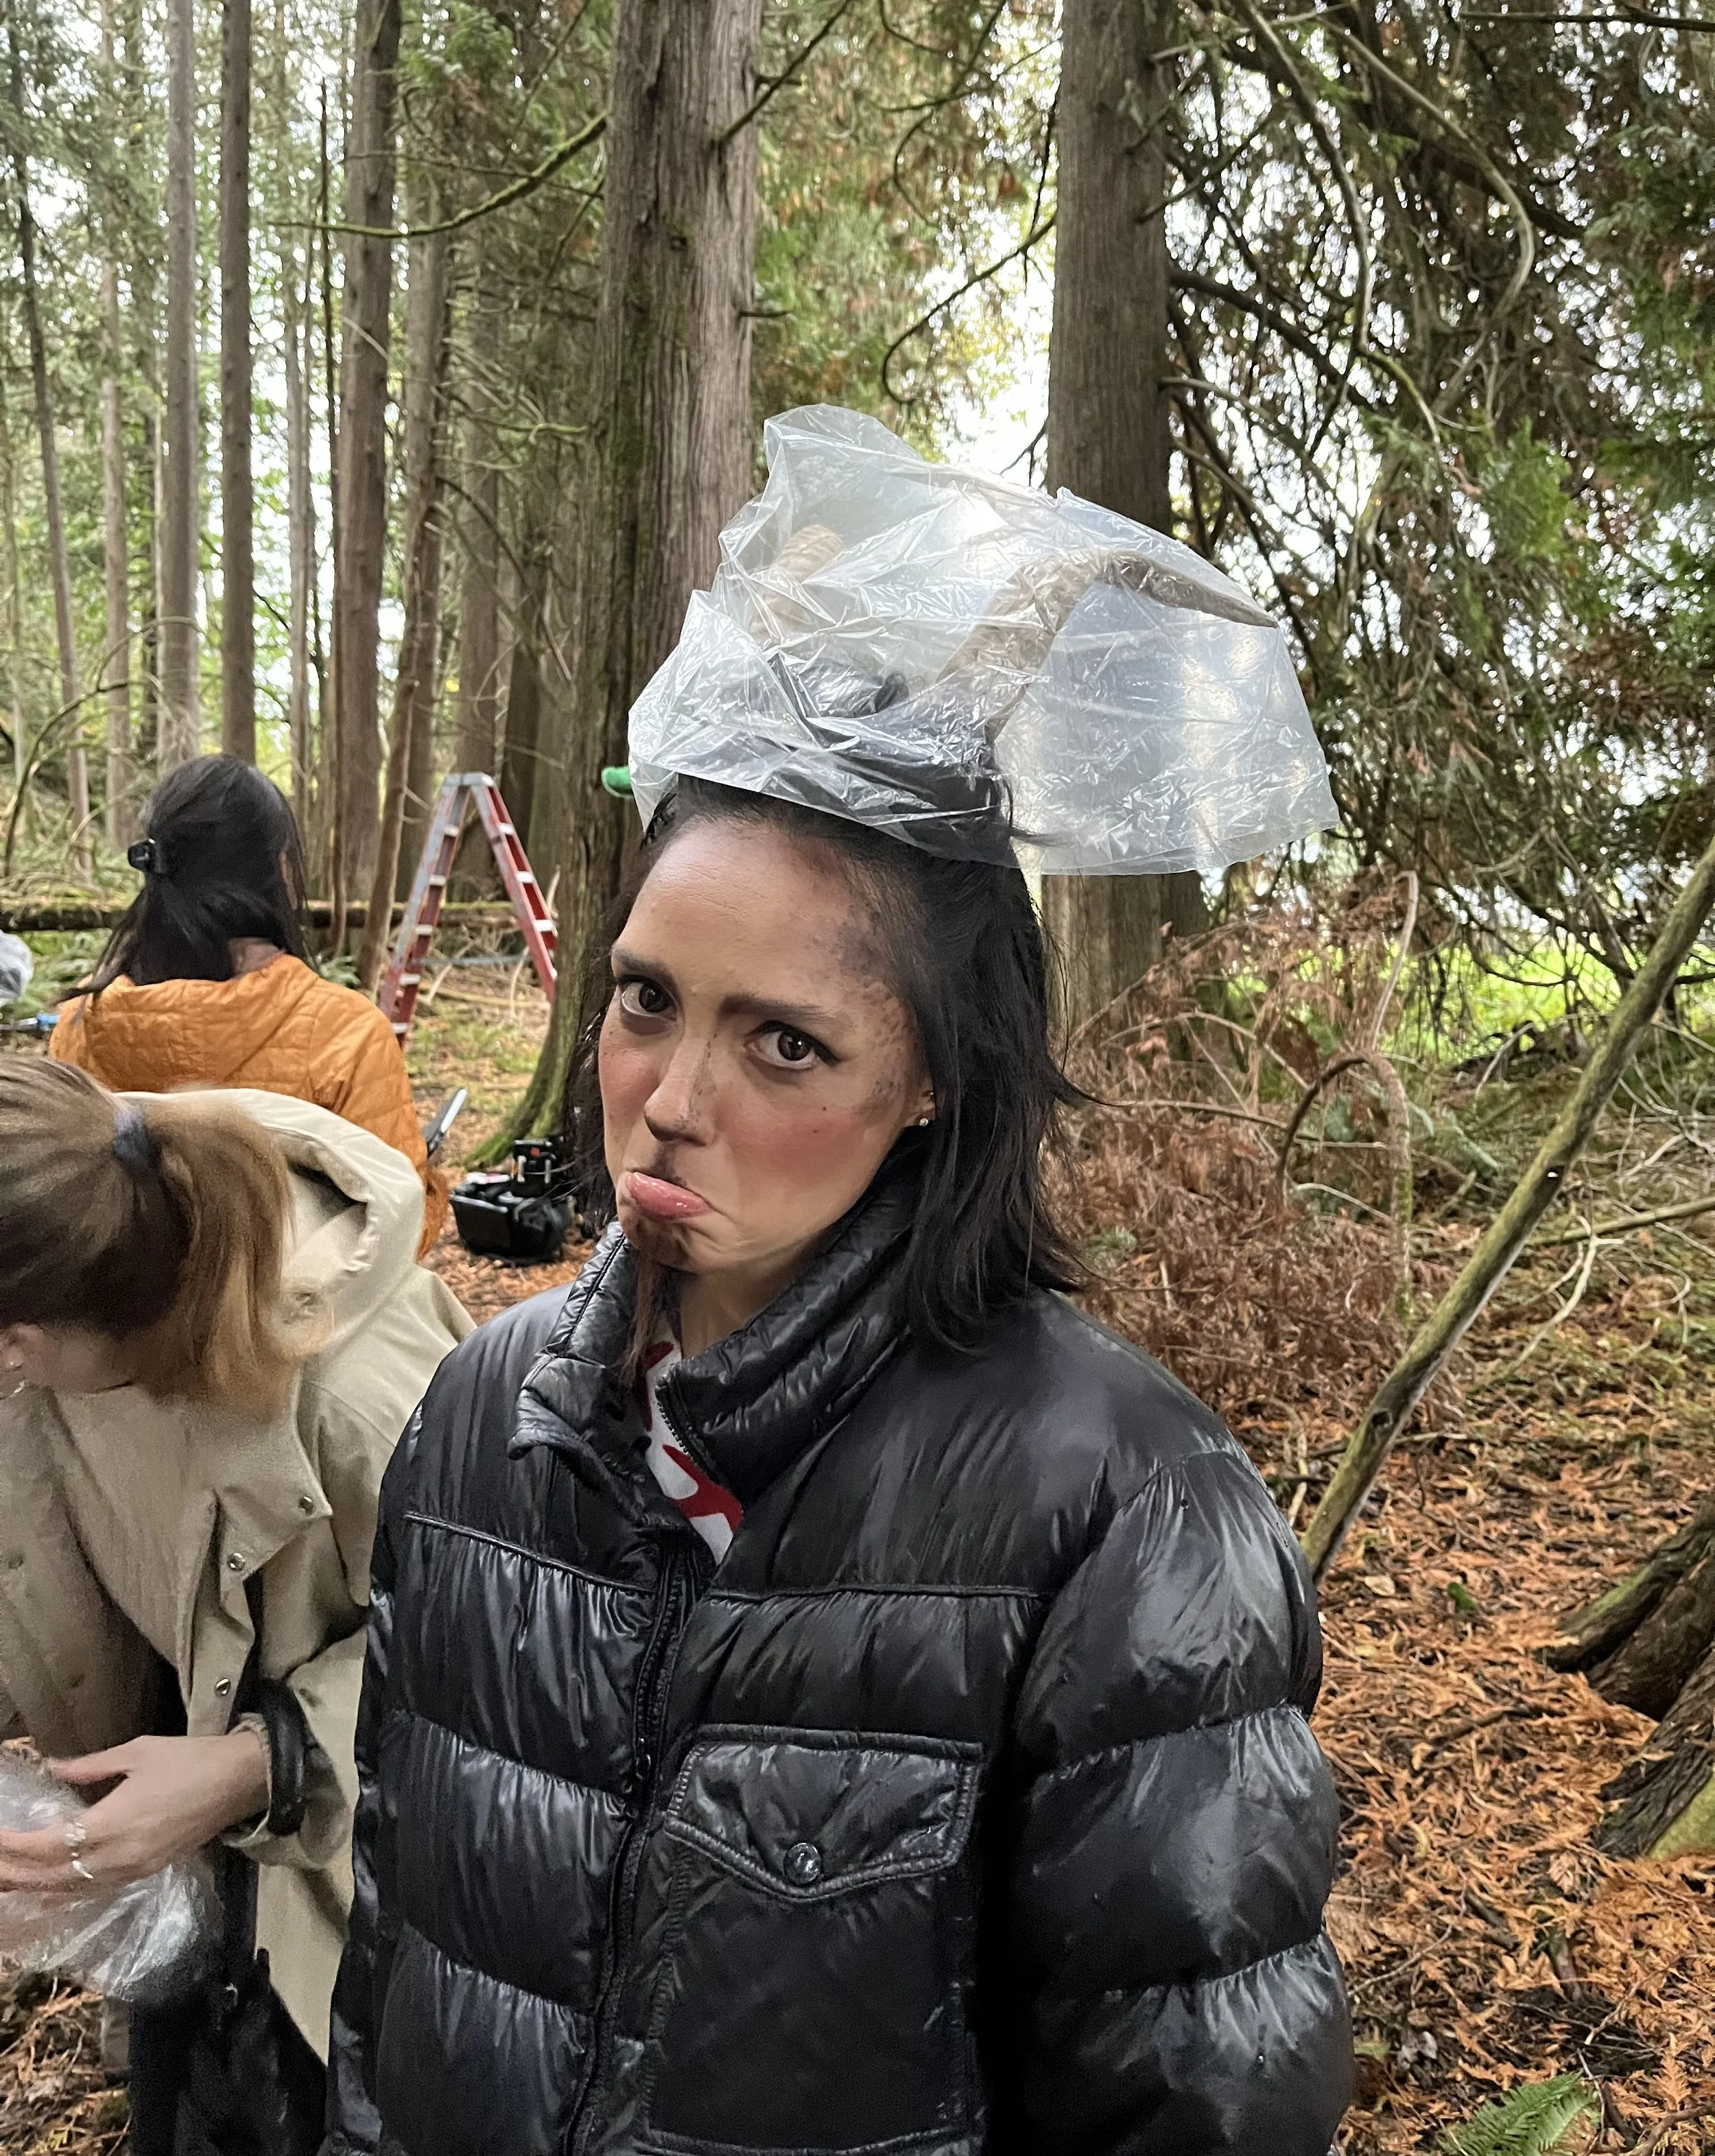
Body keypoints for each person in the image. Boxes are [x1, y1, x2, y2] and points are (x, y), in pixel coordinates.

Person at [325, 412, 1352, 2155]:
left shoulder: (1114, 1510)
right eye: (644, 999)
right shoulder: (478, 1423)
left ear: (934, 1077)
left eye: (784, 1043)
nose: (673, 1097)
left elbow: (1194, 2097)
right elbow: (399, 1972)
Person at [0, 1060, 471, 2153]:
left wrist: (261, 1762)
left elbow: (512, 1669)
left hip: (351, 1919)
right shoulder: (52, 1353)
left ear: (22, 1333)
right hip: (190, 1896)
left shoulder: (363, 1395)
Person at [49, 753, 449, 1249]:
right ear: (281, 867)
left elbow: (59, 1214)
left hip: (119, 1321)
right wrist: (432, 1184)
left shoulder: (78, 1026)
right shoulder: (347, 1034)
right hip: (305, 1322)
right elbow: (402, 1226)